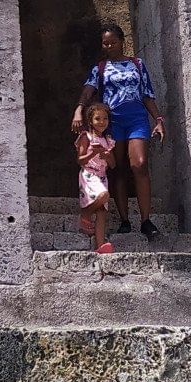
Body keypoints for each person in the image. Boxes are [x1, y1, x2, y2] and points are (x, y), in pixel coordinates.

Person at [71, 23, 166, 237]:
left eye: (113, 42)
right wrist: (79, 110)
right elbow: (88, 91)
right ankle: (124, 220)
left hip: (136, 119)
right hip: (113, 121)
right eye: (105, 43)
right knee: (118, 168)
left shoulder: (137, 64)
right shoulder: (100, 68)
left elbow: (147, 94)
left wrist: (158, 119)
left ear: (122, 41)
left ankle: (146, 220)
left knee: (139, 164)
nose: (109, 46)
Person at [75, 101, 117, 254]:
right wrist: (93, 153)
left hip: (102, 176)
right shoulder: (86, 137)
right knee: (104, 195)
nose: (102, 122)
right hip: (89, 175)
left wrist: (106, 155)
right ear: (90, 121)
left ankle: (100, 245)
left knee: (101, 212)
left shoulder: (108, 140)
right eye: (98, 119)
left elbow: (113, 164)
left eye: (105, 119)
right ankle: (85, 215)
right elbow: (80, 160)